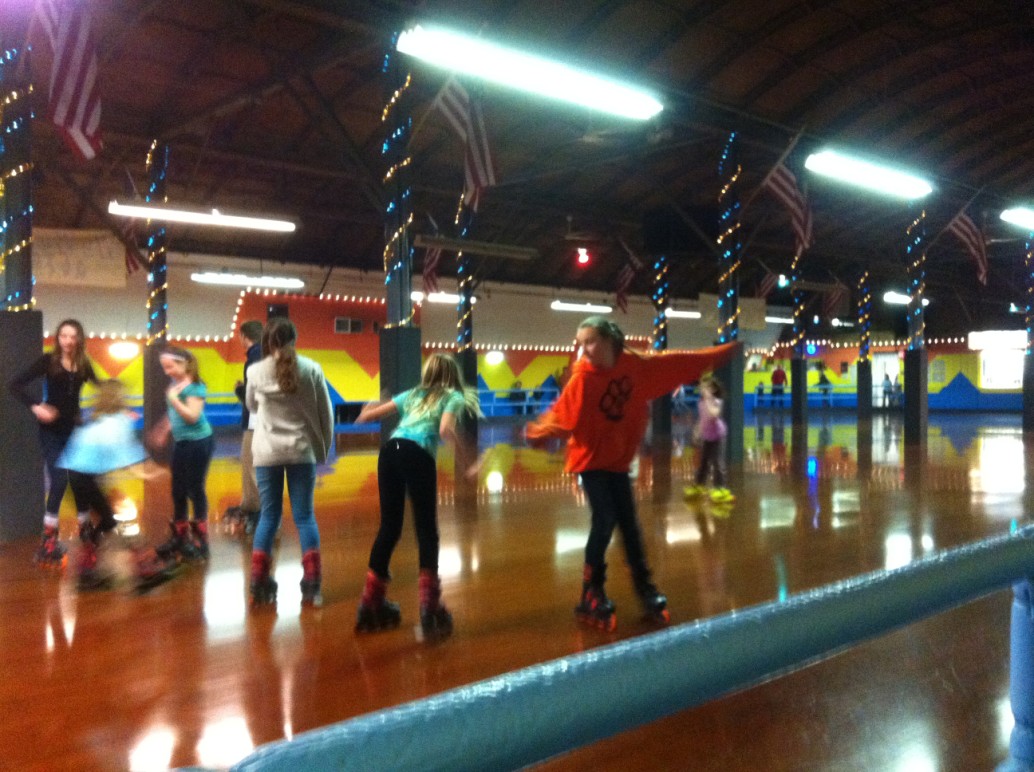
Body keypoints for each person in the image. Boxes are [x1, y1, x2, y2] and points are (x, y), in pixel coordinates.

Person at [525, 316, 735, 631]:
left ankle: (644, 586)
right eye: (581, 343)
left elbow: (677, 364)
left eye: (590, 341)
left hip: (619, 462)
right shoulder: (581, 379)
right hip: (591, 462)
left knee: (630, 524)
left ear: (611, 342)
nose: (584, 349)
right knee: (604, 519)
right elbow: (562, 415)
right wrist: (538, 432)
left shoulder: (635, 367)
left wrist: (720, 353)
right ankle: (591, 590)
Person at [353, 353, 481, 641]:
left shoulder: (414, 393)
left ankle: (371, 601)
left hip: (390, 451)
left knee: (390, 527)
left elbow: (368, 417)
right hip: (416, 455)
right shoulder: (452, 397)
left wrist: (367, 408)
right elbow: (446, 428)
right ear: (452, 376)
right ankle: (429, 606)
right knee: (426, 531)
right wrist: (467, 463)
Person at [246, 318, 334, 609]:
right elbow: (326, 413)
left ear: (267, 342)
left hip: (266, 454)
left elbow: (251, 406)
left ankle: (259, 579)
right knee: (304, 517)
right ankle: (312, 579)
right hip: (300, 452)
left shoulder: (255, 370)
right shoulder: (311, 369)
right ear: (294, 339)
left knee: (269, 517)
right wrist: (323, 449)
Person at [56, 379, 168, 590]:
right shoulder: (117, 421)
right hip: (84, 477)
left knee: (104, 522)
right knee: (109, 523)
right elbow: (129, 455)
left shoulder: (96, 420)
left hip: (71, 474)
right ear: (119, 398)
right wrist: (151, 473)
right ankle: (143, 571)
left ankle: (90, 571)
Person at [9, 319, 99, 567]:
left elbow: (101, 388)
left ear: (79, 339)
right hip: (51, 431)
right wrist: (36, 406)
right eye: (64, 336)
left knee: (80, 481)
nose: (68, 341)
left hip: (74, 430)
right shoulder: (48, 361)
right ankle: (48, 539)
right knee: (59, 479)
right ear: (58, 338)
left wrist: (114, 407)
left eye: (73, 336)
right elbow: (14, 385)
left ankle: (85, 532)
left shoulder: (83, 364)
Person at [156, 347, 215, 562]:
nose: (167, 371)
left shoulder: (196, 386)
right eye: (164, 367)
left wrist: (173, 399)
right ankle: (180, 537)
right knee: (177, 490)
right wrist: (163, 428)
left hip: (199, 443)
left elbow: (191, 416)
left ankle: (201, 540)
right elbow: (175, 416)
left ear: (183, 363)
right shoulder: (175, 385)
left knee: (195, 489)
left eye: (170, 366)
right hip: (181, 443)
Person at [225, 320, 264, 533]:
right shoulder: (268, 355)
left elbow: (254, 397)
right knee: (255, 467)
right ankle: (252, 507)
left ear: (243, 336)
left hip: (257, 422)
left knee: (250, 467)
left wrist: (239, 390)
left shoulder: (255, 358)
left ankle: (256, 512)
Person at [684, 377, 734, 504]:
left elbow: (713, 415)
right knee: (704, 462)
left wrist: (708, 399)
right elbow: (702, 419)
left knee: (717, 462)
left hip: (718, 436)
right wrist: (696, 431)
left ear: (712, 390)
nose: (702, 389)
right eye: (702, 387)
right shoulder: (701, 403)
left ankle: (720, 488)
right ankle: (699, 485)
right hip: (707, 436)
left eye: (705, 387)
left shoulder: (716, 401)